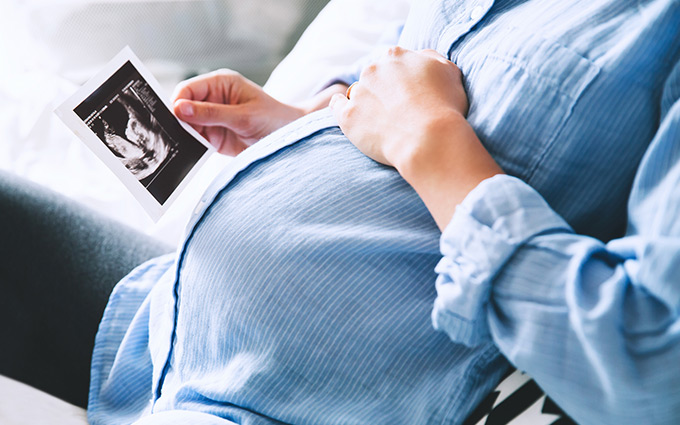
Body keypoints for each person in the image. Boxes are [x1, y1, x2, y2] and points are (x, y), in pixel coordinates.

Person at [0, 1, 678, 425]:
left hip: (294, 399)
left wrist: (428, 136)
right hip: (166, 327)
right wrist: (308, 126)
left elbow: (650, 369)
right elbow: (414, 107)